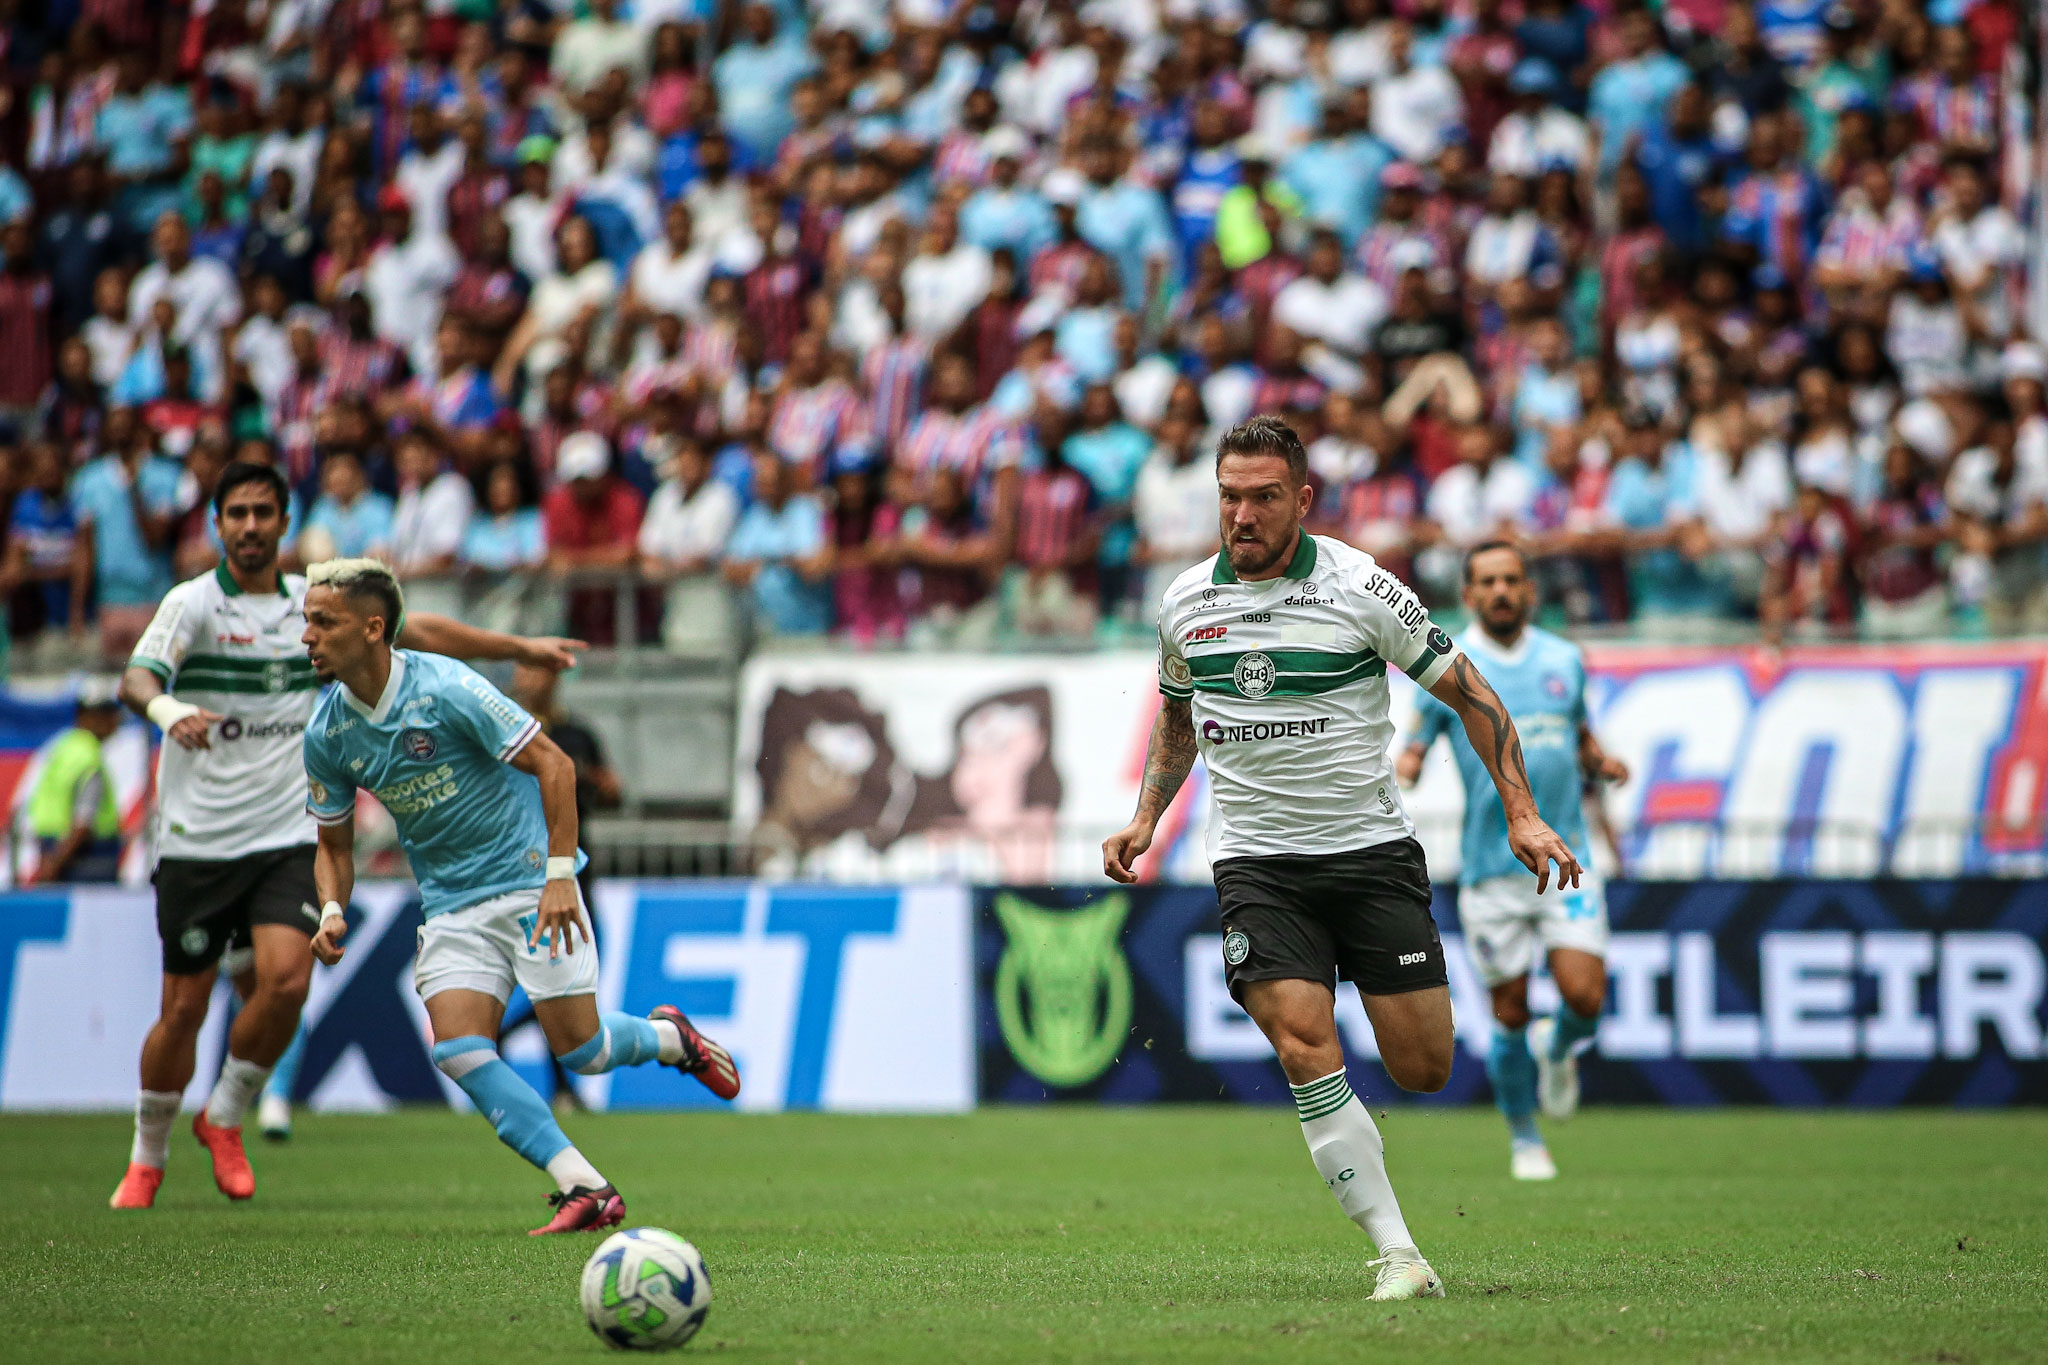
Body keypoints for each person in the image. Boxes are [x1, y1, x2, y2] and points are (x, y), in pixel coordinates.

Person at [1103, 416, 1578, 1303]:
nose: (1242, 515)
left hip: (1369, 856)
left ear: (1303, 500)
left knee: (1422, 1067)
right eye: (1229, 496)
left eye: (1263, 497)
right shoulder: (1183, 604)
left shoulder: (1360, 585)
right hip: (1256, 864)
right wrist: (1145, 818)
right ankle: (1400, 1252)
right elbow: (1177, 716)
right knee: (1303, 1042)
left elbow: (1471, 691)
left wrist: (1522, 810)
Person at [109, 463, 588, 1212]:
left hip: (286, 832)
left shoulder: (318, 604)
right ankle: (147, 1155)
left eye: (263, 511)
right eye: (235, 512)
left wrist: (516, 646)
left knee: (288, 980)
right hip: (198, 834)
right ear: (215, 522)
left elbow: (414, 630)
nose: (249, 525)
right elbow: (136, 679)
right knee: (184, 1010)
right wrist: (169, 712)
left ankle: (227, 1114)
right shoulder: (192, 604)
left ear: (284, 520)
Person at [299, 558, 738, 1234]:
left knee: (584, 1052)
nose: (307, 635)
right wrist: (331, 908)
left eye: (322, 621)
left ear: (373, 628)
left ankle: (668, 1037)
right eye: (306, 619)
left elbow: (554, 763)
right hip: (450, 903)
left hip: (530, 879)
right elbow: (332, 847)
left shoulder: (445, 687)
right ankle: (584, 1184)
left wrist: (561, 874)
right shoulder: (326, 733)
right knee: (459, 1048)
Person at [1395, 542, 1627, 1181]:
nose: (1500, 591)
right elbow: (1417, 739)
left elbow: (1576, 732)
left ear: (1530, 591)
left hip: (1567, 861)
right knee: (1509, 1011)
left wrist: (1599, 762)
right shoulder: (1449, 665)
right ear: (1468, 595)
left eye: (1511, 580)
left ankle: (1559, 1051)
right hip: (1490, 871)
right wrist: (1407, 765)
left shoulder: (1564, 660)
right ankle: (1526, 1139)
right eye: (1487, 582)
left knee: (1584, 996)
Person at [26, 679, 126, 884]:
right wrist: (55, 866)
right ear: (89, 717)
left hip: (53, 851)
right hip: (83, 859)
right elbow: (83, 822)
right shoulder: (89, 758)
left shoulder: (64, 747)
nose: (115, 721)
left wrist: (49, 861)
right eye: (108, 714)